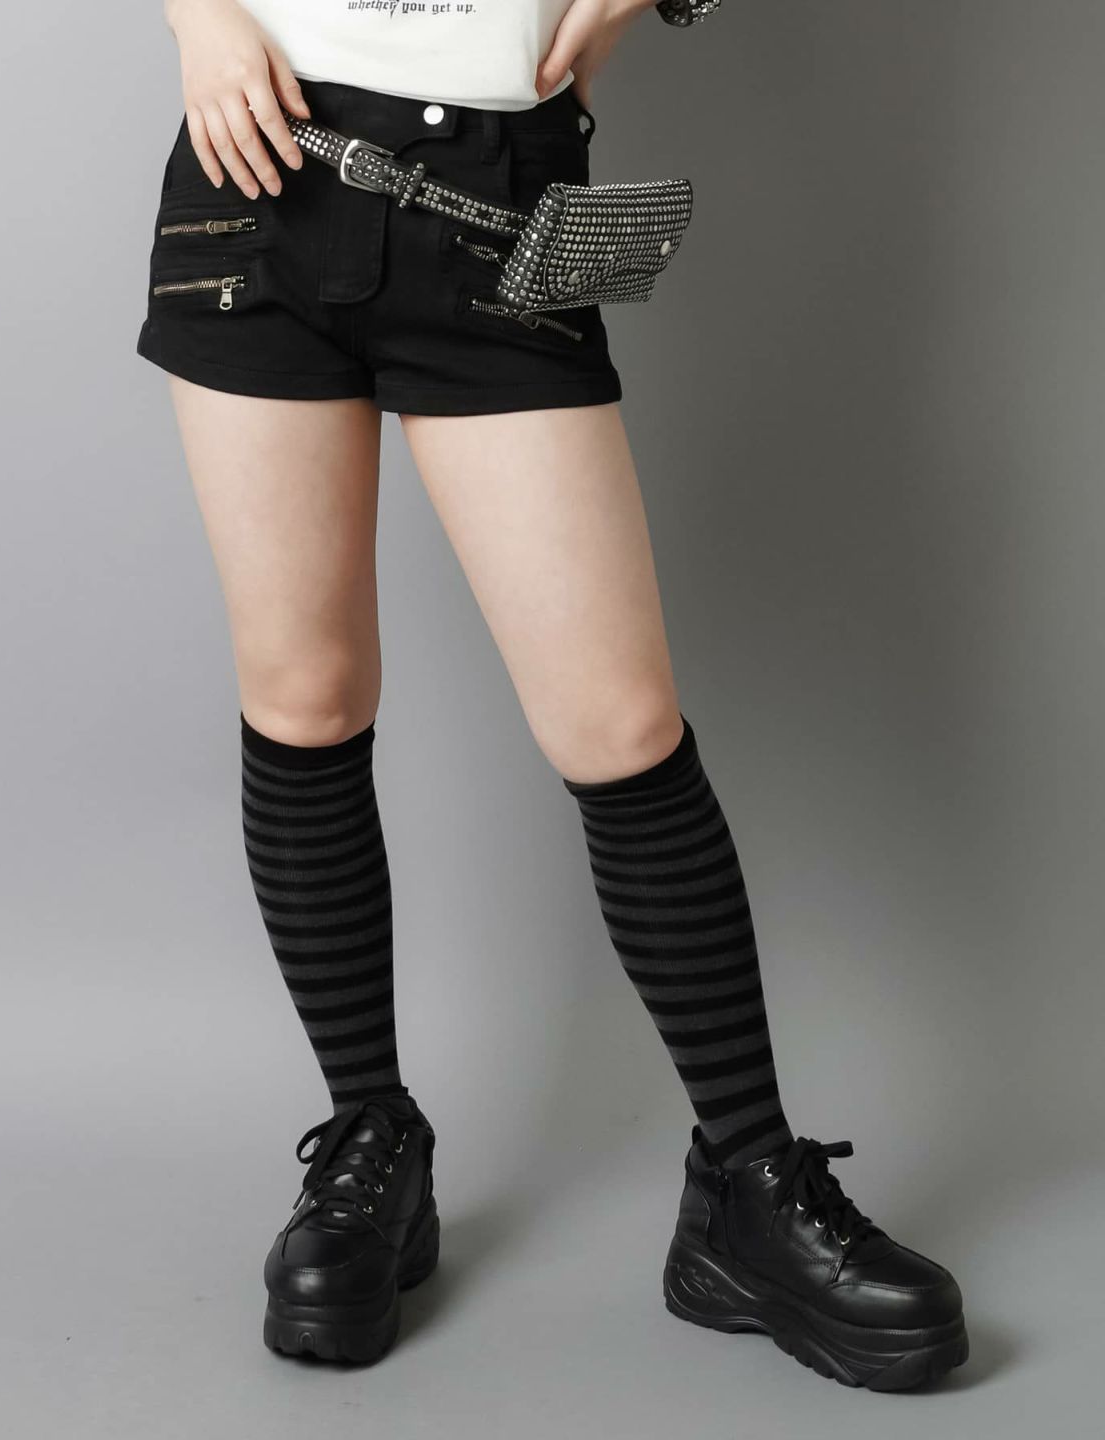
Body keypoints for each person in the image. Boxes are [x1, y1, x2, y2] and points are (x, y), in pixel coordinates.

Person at [136, 0, 969, 1389]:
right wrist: (200, 18)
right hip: (255, 174)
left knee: (620, 725)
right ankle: (369, 1144)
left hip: (493, 189)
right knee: (305, 694)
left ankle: (745, 1193)